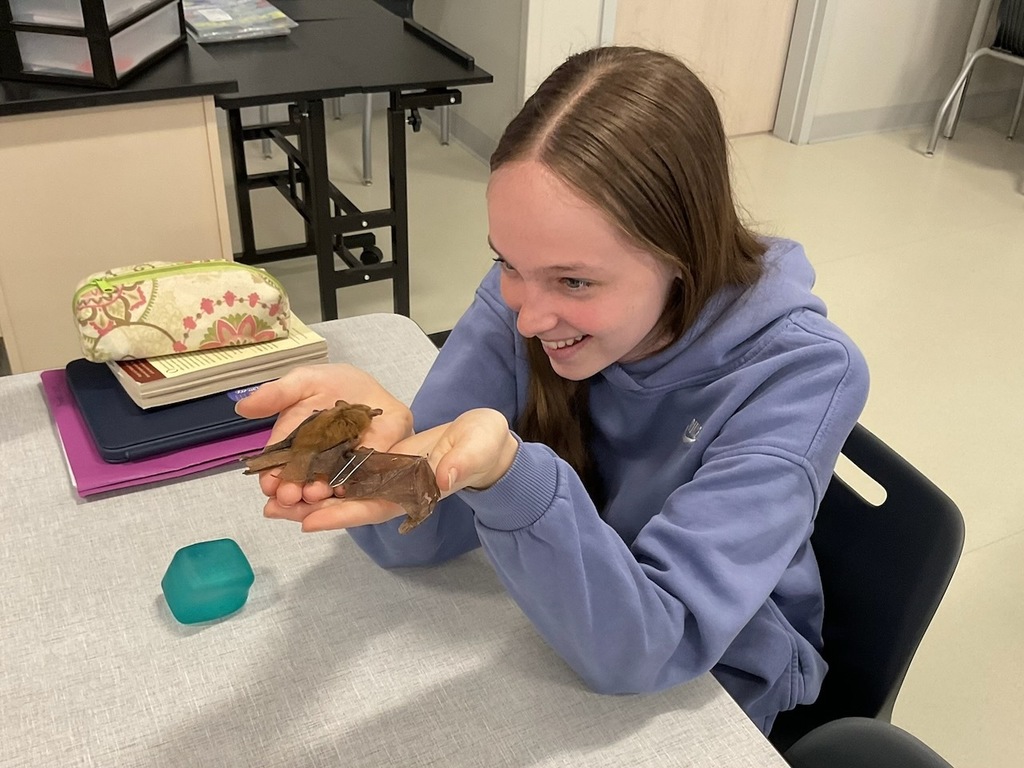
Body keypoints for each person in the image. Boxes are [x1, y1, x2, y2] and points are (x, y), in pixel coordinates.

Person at [236, 45, 869, 734]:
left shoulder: (798, 375)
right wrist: (364, 454)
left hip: (714, 688)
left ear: (683, 255)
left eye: (575, 282)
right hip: (573, 614)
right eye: (507, 262)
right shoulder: (525, 298)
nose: (530, 318)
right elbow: (410, 542)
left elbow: (648, 649)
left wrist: (508, 477)